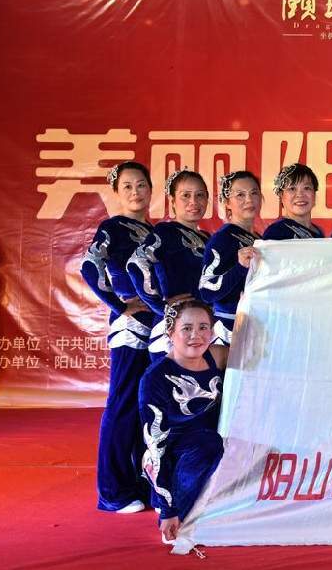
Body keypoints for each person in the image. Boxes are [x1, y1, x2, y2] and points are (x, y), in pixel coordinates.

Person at [80, 160, 155, 513]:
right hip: (130, 330)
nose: (135, 192)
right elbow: (89, 266)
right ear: (117, 193)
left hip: (158, 327)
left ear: (151, 190)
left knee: (146, 406)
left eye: (141, 185)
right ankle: (111, 491)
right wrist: (119, 305)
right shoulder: (113, 228)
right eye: (127, 186)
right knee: (123, 404)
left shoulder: (155, 231)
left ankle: (140, 480)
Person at [138, 299, 227, 544]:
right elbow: (155, 445)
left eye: (203, 327)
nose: (196, 336)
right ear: (170, 333)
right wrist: (169, 510)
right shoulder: (154, 379)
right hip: (169, 450)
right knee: (207, 444)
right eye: (186, 328)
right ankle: (173, 506)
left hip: (206, 444)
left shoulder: (218, 356)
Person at [127, 169, 211, 357]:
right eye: (185, 196)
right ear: (172, 201)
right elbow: (136, 263)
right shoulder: (166, 232)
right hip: (172, 333)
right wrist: (161, 306)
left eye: (200, 195)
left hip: (201, 331)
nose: (193, 202)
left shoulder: (208, 238)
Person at [199, 171, 260, 346]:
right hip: (228, 332)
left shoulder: (260, 239)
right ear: (227, 202)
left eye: (254, 193)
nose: (249, 200)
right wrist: (239, 267)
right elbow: (206, 290)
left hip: (255, 329)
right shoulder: (223, 238)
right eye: (240, 195)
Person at [263, 163, 324, 240]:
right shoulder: (275, 232)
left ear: (314, 194)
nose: (300, 195)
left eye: (306, 188)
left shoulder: (319, 232)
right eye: (292, 189)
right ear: (281, 196)